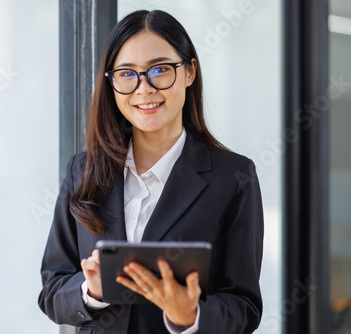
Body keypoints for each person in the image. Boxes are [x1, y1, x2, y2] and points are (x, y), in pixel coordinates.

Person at [38, 9, 263, 334]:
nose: (143, 89)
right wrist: (93, 291)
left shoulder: (234, 177)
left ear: (189, 72)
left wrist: (189, 316)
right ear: (111, 83)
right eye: (127, 74)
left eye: (160, 70)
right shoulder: (84, 170)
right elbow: (52, 292)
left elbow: (244, 306)